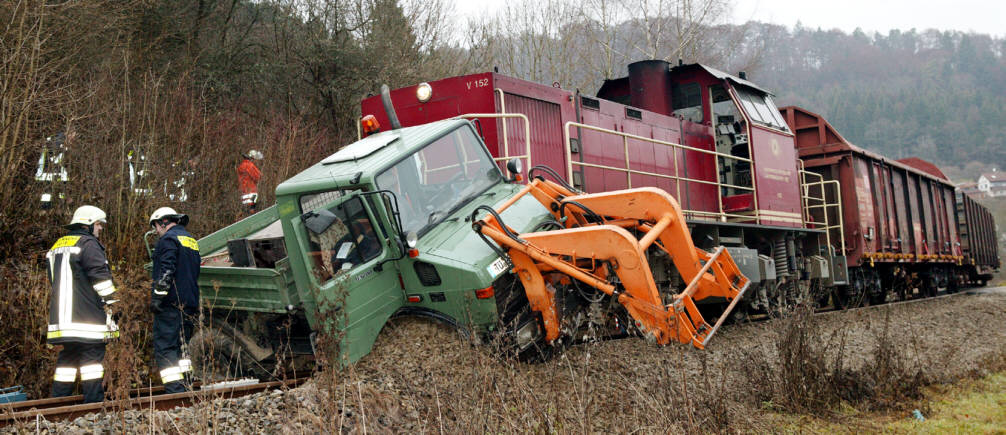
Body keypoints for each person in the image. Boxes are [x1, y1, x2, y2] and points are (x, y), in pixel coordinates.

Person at [46, 205, 119, 403]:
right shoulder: (88, 244)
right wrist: (115, 305)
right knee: (92, 361)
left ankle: (57, 403)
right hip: (86, 319)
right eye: (98, 224)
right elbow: (101, 279)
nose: (100, 228)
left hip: (62, 321)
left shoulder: (57, 246)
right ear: (88, 224)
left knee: (67, 362)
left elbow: (54, 279)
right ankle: (93, 405)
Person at [149, 207, 201, 393]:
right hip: (190, 304)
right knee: (183, 348)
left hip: (170, 304)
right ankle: (186, 386)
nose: (156, 231)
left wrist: (157, 298)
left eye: (155, 226)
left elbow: (166, 271)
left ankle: (174, 391)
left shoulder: (168, 240)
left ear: (163, 222)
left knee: (166, 347)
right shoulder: (191, 241)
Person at [237, 150, 263, 214]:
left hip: (243, 191)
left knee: (244, 212)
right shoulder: (250, 166)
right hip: (251, 190)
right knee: (251, 211)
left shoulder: (241, 166)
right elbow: (258, 176)